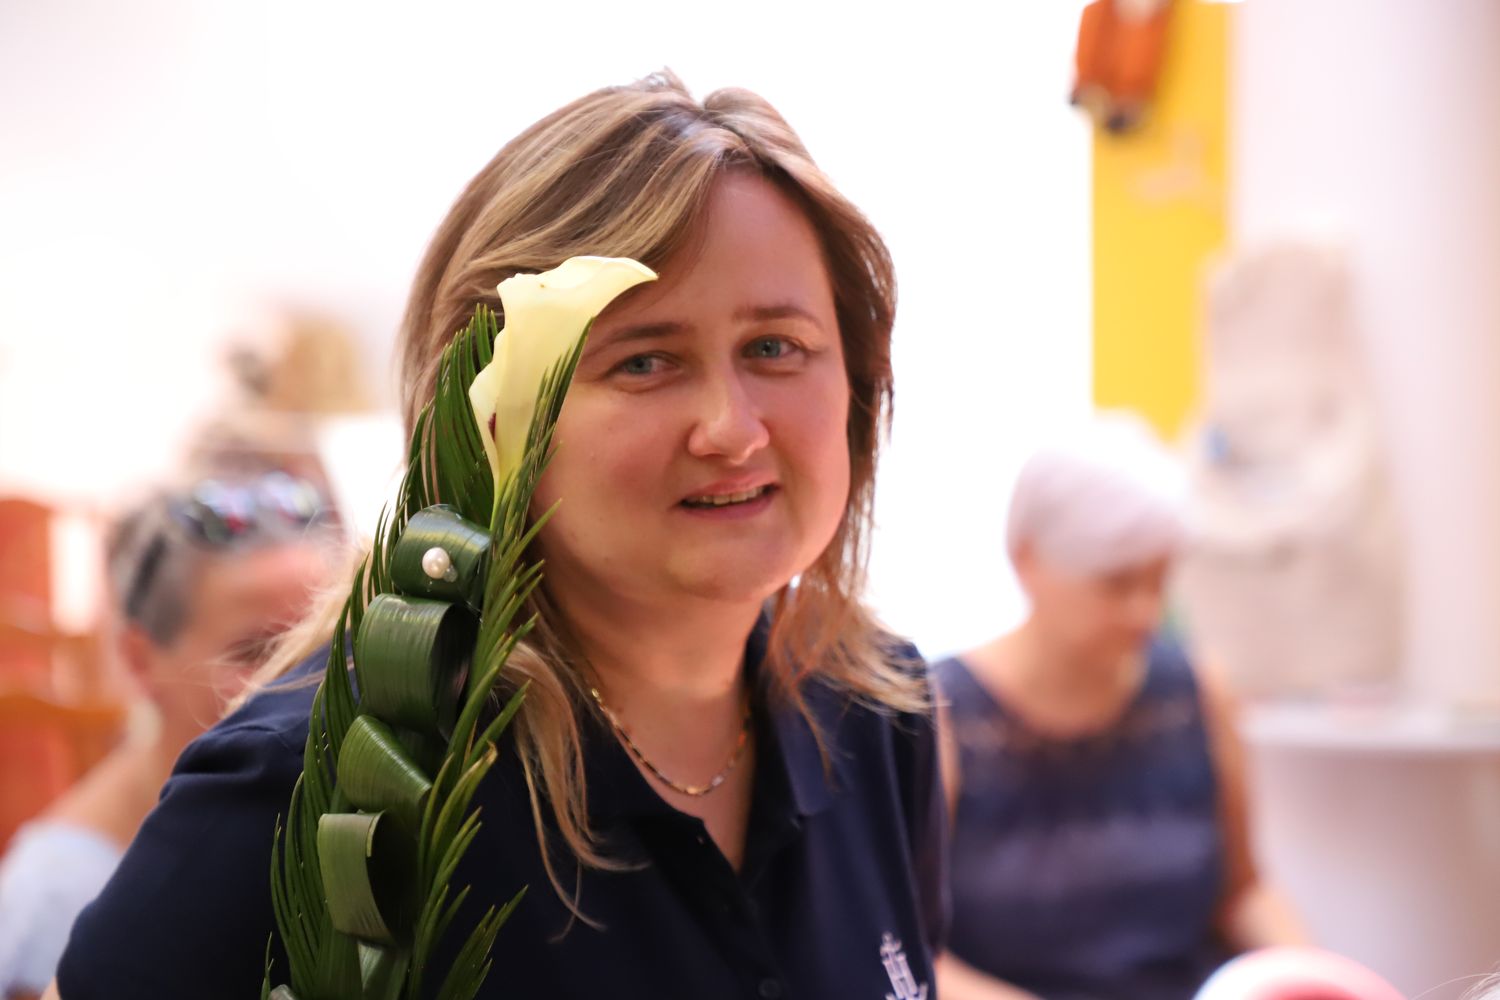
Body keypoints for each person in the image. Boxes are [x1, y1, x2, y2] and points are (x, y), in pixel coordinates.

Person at [52, 71, 947, 999]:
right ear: (492, 421)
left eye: (775, 347)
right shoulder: (334, 784)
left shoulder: (877, 713)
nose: (732, 428)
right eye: (645, 360)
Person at [934, 413, 1304, 1000]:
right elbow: (913, 953)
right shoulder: (942, 717)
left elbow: (1242, 892)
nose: (1145, 613)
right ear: (1026, 558)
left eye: (1159, 581)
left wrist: (1312, 975)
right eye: (1116, 583)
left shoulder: (1198, 690)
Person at [0, 471, 336, 1000]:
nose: (306, 682)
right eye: (259, 651)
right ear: (139, 659)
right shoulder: (60, 893)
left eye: (321, 646)